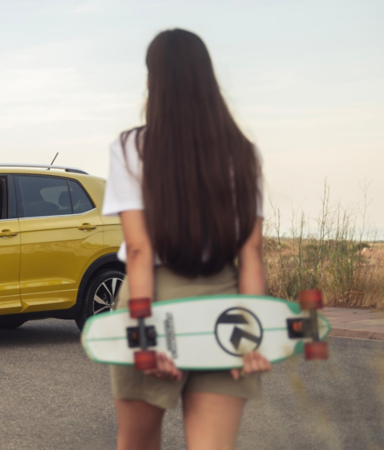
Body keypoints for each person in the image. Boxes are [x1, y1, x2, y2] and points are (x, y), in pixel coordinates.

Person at [102, 29, 271, 450]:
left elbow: (140, 251)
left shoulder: (130, 148)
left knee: (137, 443)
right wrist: (253, 333)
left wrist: (143, 336)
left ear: (153, 80)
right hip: (226, 304)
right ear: (207, 78)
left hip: (153, 297)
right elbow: (251, 254)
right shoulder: (244, 153)